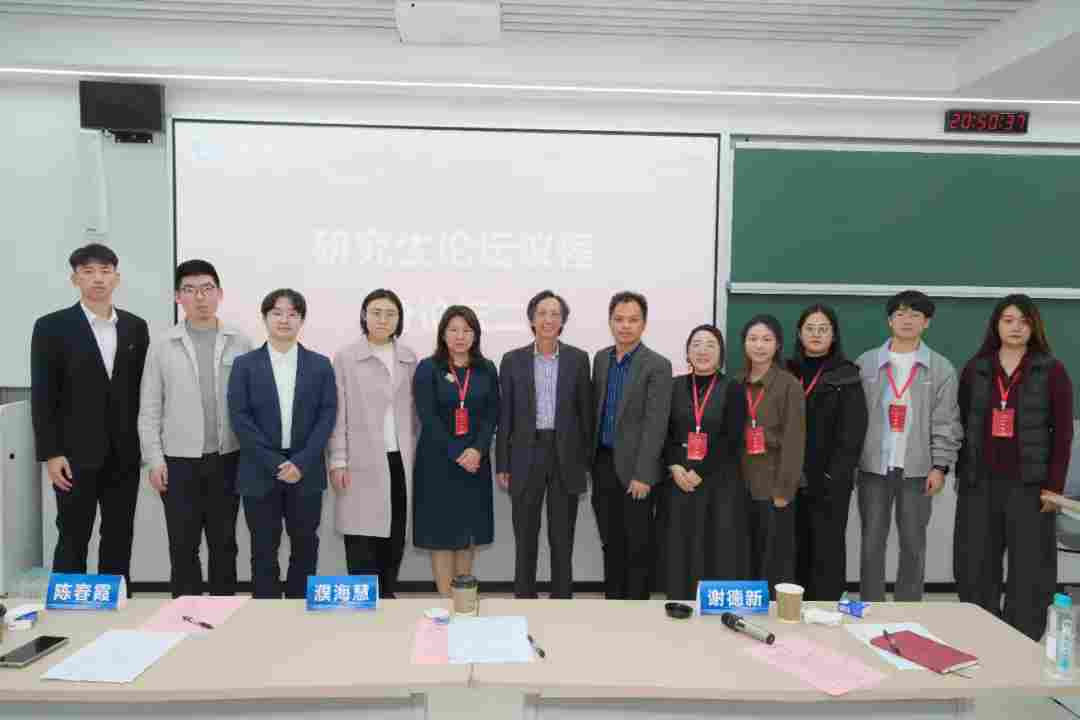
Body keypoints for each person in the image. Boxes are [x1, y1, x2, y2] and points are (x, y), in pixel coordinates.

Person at [954, 295, 1073, 640]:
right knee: (976, 563)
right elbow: (961, 424)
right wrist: (963, 474)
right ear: (996, 326)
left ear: (1034, 326)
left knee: (1030, 567)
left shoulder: (1052, 370)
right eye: (1008, 320)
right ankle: (980, 633)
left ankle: (1022, 638)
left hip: (1030, 486)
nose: (1016, 327)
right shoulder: (976, 369)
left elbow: (1063, 433)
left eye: (1023, 321)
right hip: (980, 483)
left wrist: (1054, 487)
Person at [31, 243, 150, 587]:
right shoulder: (51, 327)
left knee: (119, 535)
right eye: (88, 272)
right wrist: (51, 454)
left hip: (124, 453)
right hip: (73, 455)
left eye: (105, 271)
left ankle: (117, 605)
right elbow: (43, 395)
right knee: (73, 534)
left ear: (116, 278)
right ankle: (70, 608)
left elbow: (142, 392)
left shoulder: (135, 327)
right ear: (75, 279)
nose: (98, 279)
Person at [138, 259, 252, 597]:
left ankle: (223, 613)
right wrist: (154, 460)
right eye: (190, 290)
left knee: (224, 544)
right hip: (178, 461)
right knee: (182, 545)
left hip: (227, 458)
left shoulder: (240, 341)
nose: (199, 297)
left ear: (220, 293)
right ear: (178, 297)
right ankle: (183, 615)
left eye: (207, 289)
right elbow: (150, 407)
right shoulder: (163, 344)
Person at [227, 289, 337, 599]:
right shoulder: (245, 365)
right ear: (265, 318)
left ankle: (300, 610)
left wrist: (301, 462)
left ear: (302, 320)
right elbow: (240, 418)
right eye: (277, 313)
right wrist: (276, 463)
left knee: (305, 546)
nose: (284, 320)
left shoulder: (320, 365)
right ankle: (266, 613)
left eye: (292, 313)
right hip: (260, 470)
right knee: (263, 548)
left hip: (306, 469)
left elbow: (327, 415)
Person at [855, 290, 961, 602]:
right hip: (873, 468)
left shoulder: (941, 368)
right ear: (890, 320)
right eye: (900, 314)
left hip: (918, 470)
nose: (907, 320)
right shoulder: (866, 363)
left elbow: (946, 422)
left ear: (927, 322)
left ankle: (910, 608)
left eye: (915, 315)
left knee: (913, 544)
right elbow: (853, 419)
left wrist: (940, 466)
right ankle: (871, 605)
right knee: (871, 543)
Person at [496, 290, 592, 599]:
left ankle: (562, 598)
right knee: (525, 536)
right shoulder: (512, 360)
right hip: (525, 453)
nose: (548, 319)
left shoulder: (579, 359)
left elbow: (585, 414)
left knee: (562, 537)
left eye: (555, 314)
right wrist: (503, 463)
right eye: (542, 313)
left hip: (566, 455)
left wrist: (585, 463)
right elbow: (505, 416)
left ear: (563, 321)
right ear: (531, 319)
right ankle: (525, 597)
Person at [327, 289, 418, 598]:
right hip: (360, 461)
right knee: (361, 537)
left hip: (400, 460)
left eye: (390, 314)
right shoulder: (346, 357)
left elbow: (416, 414)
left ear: (399, 319)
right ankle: (365, 608)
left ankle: (388, 598)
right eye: (376, 312)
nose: (383, 319)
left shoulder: (408, 358)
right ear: (364, 316)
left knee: (394, 536)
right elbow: (338, 413)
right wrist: (338, 459)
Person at [412, 305, 499, 596]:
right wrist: (458, 453)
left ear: (475, 335)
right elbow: (428, 417)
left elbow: (492, 414)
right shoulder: (428, 368)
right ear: (443, 334)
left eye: (466, 330)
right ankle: (445, 603)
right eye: (453, 330)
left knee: (467, 535)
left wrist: (477, 450)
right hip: (438, 462)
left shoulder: (487, 369)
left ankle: (462, 602)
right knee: (441, 537)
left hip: (475, 463)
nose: (460, 336)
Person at [591, 291, 672, 600]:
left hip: (637, 469)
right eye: (619, 319)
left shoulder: (657, 365)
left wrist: (644, 474)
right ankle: (613, 603)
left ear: (644, 324)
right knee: (610, 541)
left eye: (633, 320)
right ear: (610, 322)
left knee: (637, 544)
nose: (625, 326)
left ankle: (636, 608)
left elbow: (656, 424)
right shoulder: (601, 359)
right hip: (603, 463)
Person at [787, 304, 867, 601]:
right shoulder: (786, 370)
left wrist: (834, 474)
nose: (816, 335)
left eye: (823, 329)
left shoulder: (847, 374)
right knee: (792, 545)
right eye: (810, 328)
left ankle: (825, 608)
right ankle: (790, 607)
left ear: (834, 335)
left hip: (829, 478)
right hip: (789, 477)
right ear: (799, 333)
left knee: (826, 547)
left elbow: (853, 430)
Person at [663, 324, 747, 601]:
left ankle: (713, 610)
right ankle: (680, 602)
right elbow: (663, 433)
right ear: (687, 351)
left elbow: (732, 438)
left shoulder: (733, 388)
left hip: (718, 483)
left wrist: (700, 471)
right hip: (679, 481)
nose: (703, 350)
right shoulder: (673, 386)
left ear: (721, 353)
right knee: (681, 548)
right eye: (696, 344)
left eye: (711, 345)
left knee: (716, 548)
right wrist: (674, 466)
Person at [739, 315, 805, 597]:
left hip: (773, 485)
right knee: (745, 555)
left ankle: (775, 612)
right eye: (753, 339)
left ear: (777, 345)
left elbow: (795, 441)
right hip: (740, 484)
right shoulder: (736, 382)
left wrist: (784, 489)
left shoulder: (789, 385)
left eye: (766, 339)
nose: (759, 345)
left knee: (773, 558)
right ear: (744, 344)